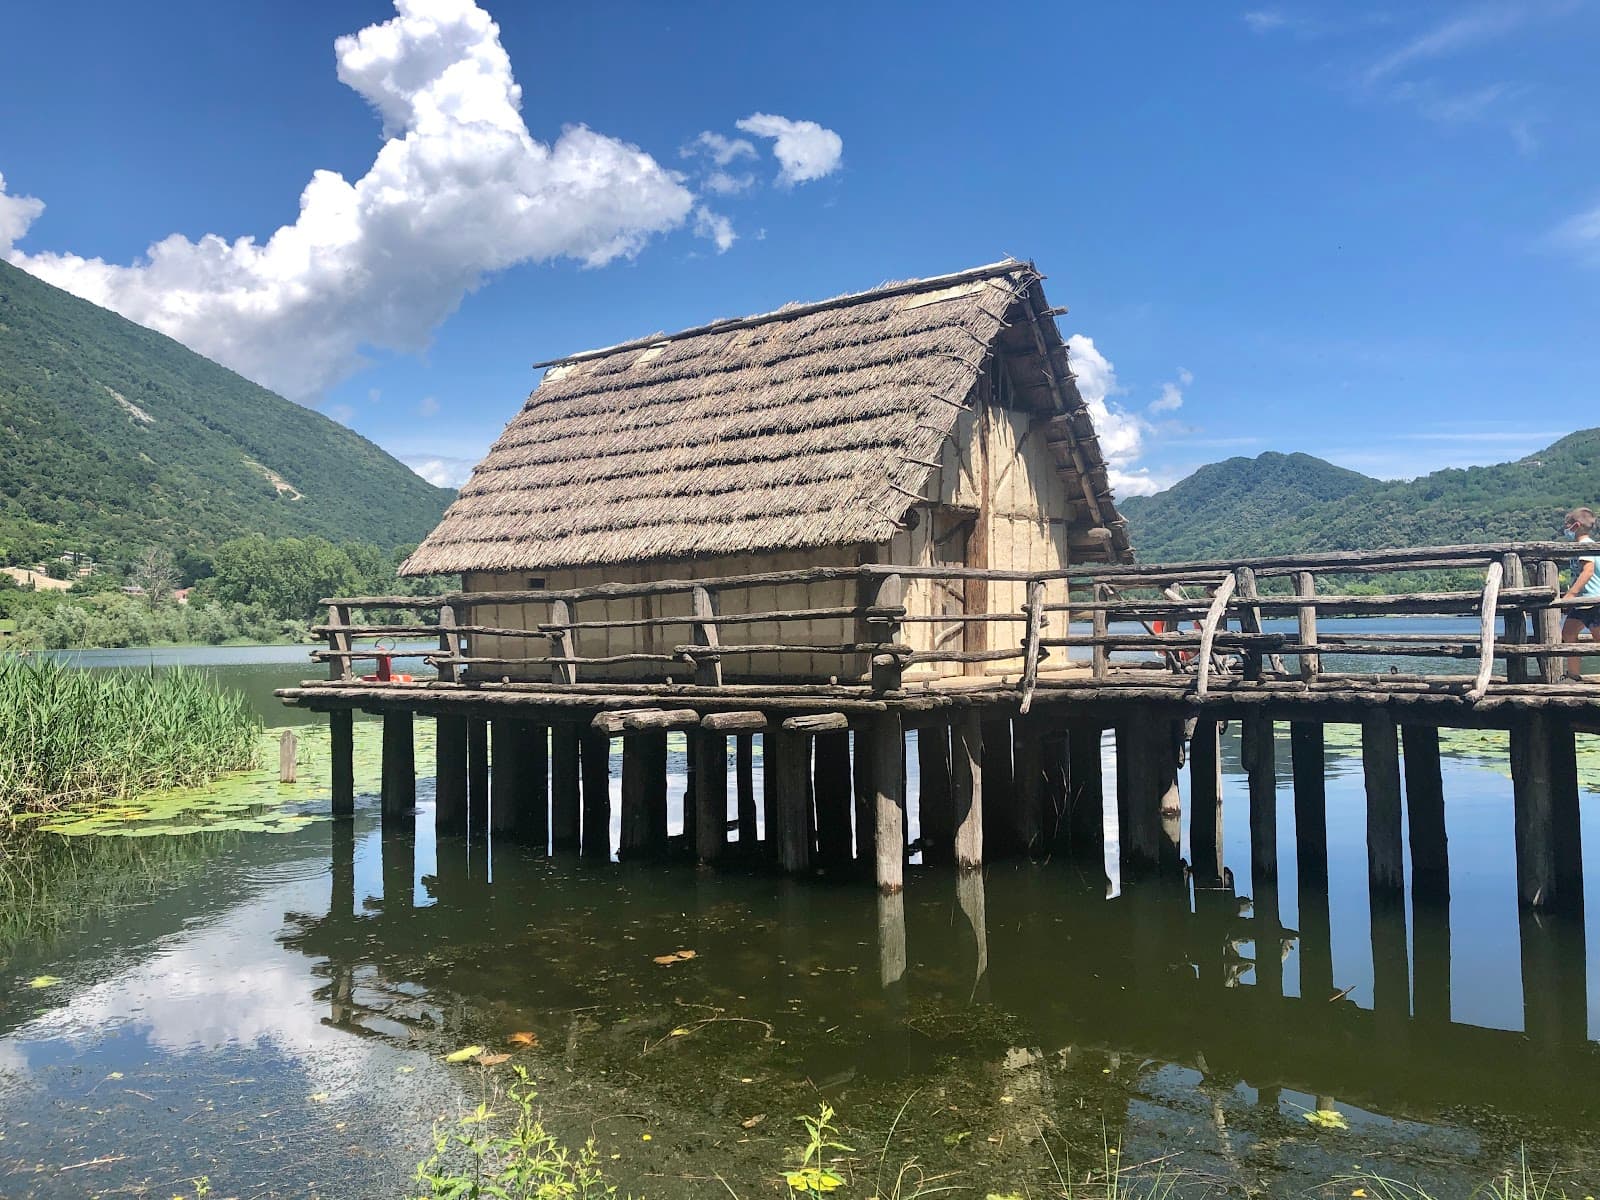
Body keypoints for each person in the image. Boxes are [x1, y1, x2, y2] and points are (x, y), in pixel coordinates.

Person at [1560, 507, 1600, 681]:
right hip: (1582, 603)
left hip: (1593, 600)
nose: (1565, 529)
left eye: (1567, 525)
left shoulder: (1585, 546)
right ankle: (1573, 675)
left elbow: (1588, 571)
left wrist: (1571, 594)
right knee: (1568, 633)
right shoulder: (1582, 546)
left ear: (1576, 526)